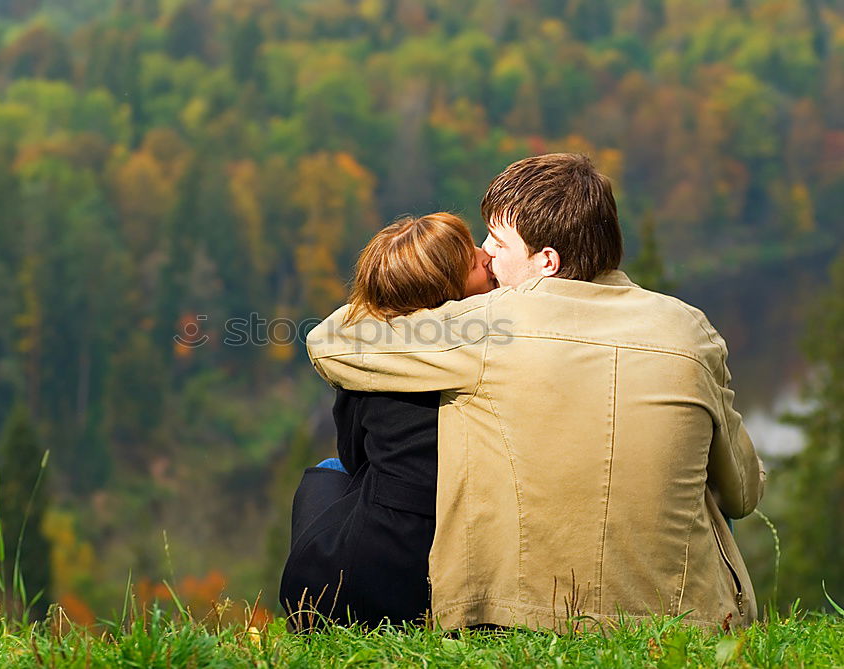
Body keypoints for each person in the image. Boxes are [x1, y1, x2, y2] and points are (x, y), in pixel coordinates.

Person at [306, 153, 766, 631]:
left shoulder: (492, 325)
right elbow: (743, 493)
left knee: (333, 473)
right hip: (688, 620)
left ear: (547, 261)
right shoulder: (690, 328)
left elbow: (333, 340)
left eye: (498, 242)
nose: (485, 253)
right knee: (701, 479)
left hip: (530, 614)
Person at [279, 213, 496, 629]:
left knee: (331, 470)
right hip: (434, 566)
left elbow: (354, 456)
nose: (484, 254)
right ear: (444, 293)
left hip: (354, 581)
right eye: (470, 260)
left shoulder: (372, 361)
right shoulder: (483, 343)